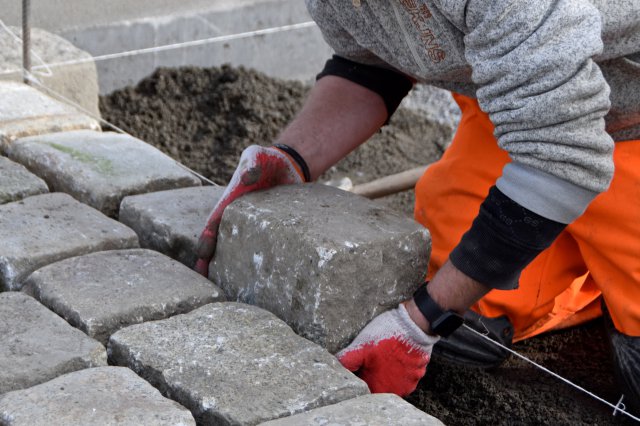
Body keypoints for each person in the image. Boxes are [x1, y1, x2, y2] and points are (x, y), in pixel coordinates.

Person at [194, 0, 640, 414]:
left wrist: (420, 321)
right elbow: (371, 63)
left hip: (621, 119)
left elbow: (563, 157)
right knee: (468, 313)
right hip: (525, 111)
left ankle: (598, 272)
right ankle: (576, 261)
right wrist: (291, 158)